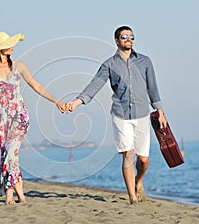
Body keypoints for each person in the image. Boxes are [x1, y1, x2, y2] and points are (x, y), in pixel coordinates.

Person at [66, 26, 167, 204]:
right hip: (120, 115)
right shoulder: (109, 64)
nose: (129, 39)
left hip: (142, 114)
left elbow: (153, 88)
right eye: (125, 36)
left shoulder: (145, 61)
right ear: (117, 40)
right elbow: (94, 85)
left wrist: (160, 112)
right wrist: (76, 102)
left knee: (143, 159)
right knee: (128, 154)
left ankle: (139, 180)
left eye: (131, 36)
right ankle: (132, 198)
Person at [0, 31, 66, 205]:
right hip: (0, 119)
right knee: (10, 155)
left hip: (19, 116)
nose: (12, 46)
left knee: (10, 151)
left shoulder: (18, 65)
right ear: (0, 48)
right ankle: (22, 196)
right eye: (8, 44)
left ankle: (9, 195)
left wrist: (56, 101)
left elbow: (36, 85)